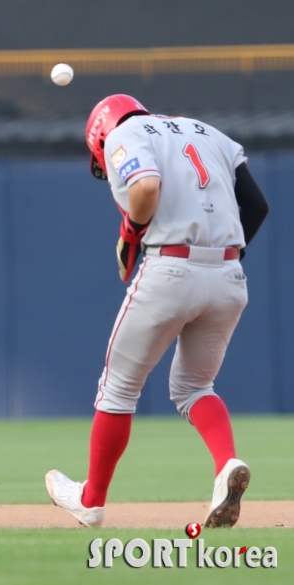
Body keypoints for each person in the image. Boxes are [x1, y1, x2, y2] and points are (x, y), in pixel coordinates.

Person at [45, 94, 269, 528]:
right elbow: (257, 206)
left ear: (99, 135)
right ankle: (226, 465)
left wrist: (131, 231)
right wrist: (222, 260)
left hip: (170, 266)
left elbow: (145, 187)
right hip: (227, 272)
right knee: (194, 386)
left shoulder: (122, 134)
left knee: (118, 389)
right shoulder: (209, 132)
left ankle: (91, 500)